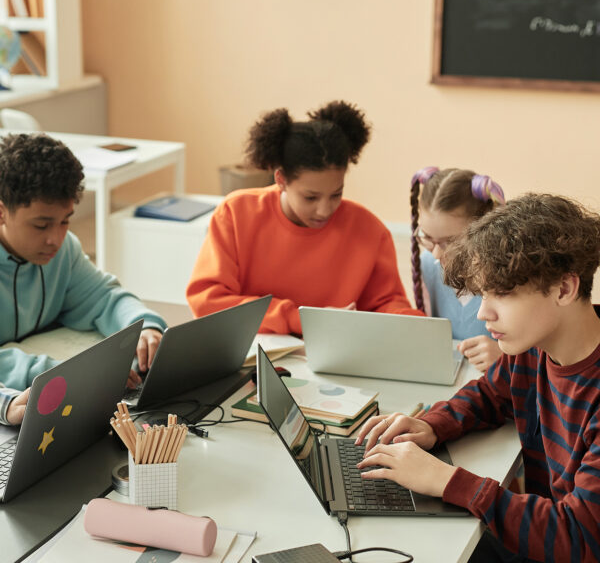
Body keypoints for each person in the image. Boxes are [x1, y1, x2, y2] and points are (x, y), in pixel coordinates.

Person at [355, 193, 600, 562]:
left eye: (502, 294)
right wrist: (432, 426)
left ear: (564, 289)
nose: (484, 313)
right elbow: (490, 393)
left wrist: (445, 480)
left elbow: (578, 536)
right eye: (483, 293)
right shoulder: (535, 348)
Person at [187, 100, 422, 334]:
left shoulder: (370, 230)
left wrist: (415, 324)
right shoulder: (235, 214)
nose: (325, 209)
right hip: (251, 356)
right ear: (281, 180)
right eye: (311, 197)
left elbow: (386, 304)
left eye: (336, 194)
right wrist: (301, 319)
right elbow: (208, 303)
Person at [0, 133, 168, 425]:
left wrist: (144, 328)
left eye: (65, 220)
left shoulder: (64, 250)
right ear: (1, 211)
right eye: (41, 225)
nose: (56, 238)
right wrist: (66, 373)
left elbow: (104, 297)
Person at [410, 166, 505, 371]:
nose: (436, 254)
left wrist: (505, 358)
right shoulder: (428, 264)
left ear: (484, 228)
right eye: (427, 238)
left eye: (451, 241)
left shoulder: (510, 274)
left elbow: (544, 354)